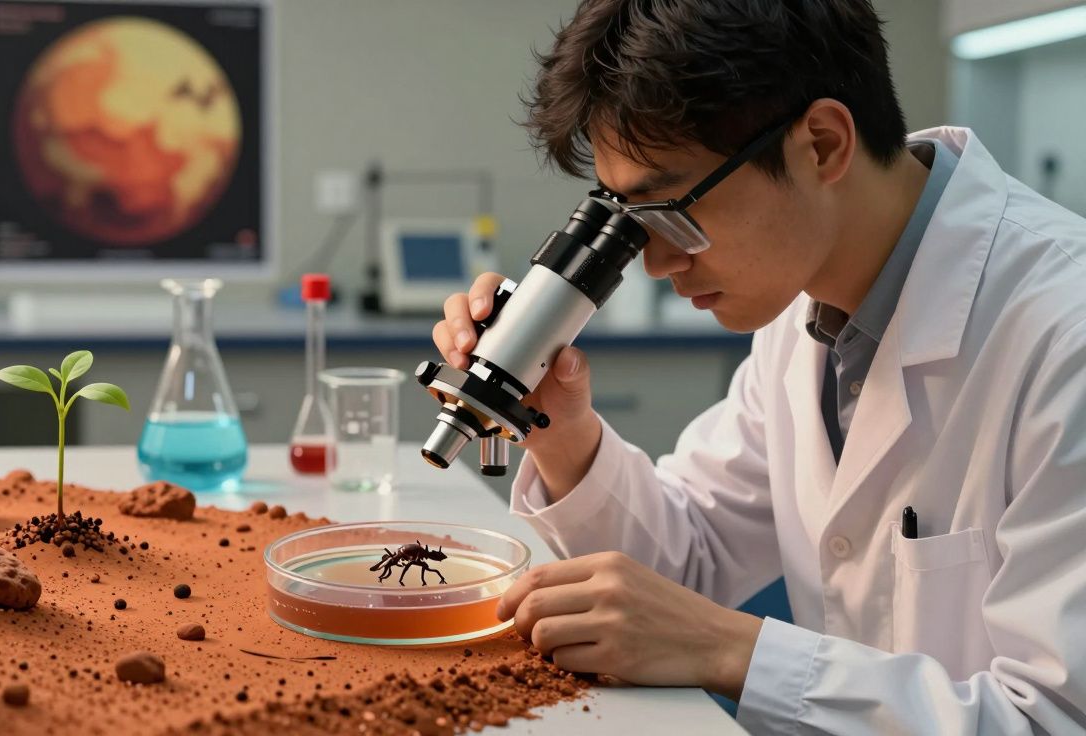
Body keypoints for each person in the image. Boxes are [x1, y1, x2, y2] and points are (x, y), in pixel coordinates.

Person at [431, 1, 1086, 732]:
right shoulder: (805, 308)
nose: (655, 263)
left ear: (824, 145)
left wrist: (731, 650)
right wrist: (558, 425)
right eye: (627, 218)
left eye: (671, 210)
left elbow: (1055, 716)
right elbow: (683, 565)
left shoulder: (1066, 333)